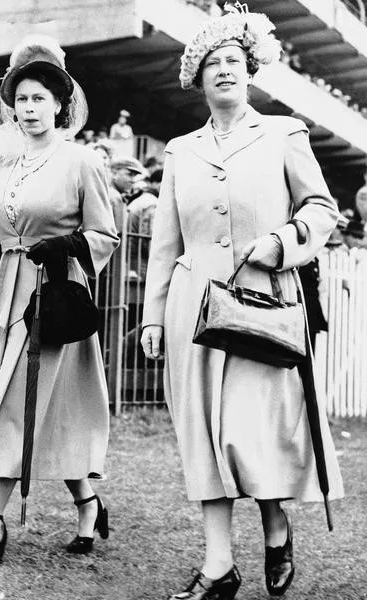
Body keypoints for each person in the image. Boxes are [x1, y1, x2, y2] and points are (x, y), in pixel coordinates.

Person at [140, 7, 345, 599]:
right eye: (213, 63)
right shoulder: (180, 151)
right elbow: (165, 242)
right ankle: (218, 566)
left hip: (264, 300)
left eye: (233, 60)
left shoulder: (284, 134)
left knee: (255, 430)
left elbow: (321, 210)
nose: (224, 69)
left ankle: (275, 525)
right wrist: (153, 316)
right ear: (198, 78)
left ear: (250, 70)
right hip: (195, 308)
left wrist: (282, 243)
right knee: (205, 434)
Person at [0, 34, 119, 568]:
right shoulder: (3, 163)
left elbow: (105, 235)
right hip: (10, 296)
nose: (30, 108)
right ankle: (88, 503)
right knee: (48, 410)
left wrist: (68, 245)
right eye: (21, 99)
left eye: (40, 98)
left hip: (57, 297)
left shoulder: (81, 161)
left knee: (16, 404)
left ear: (61, 104)